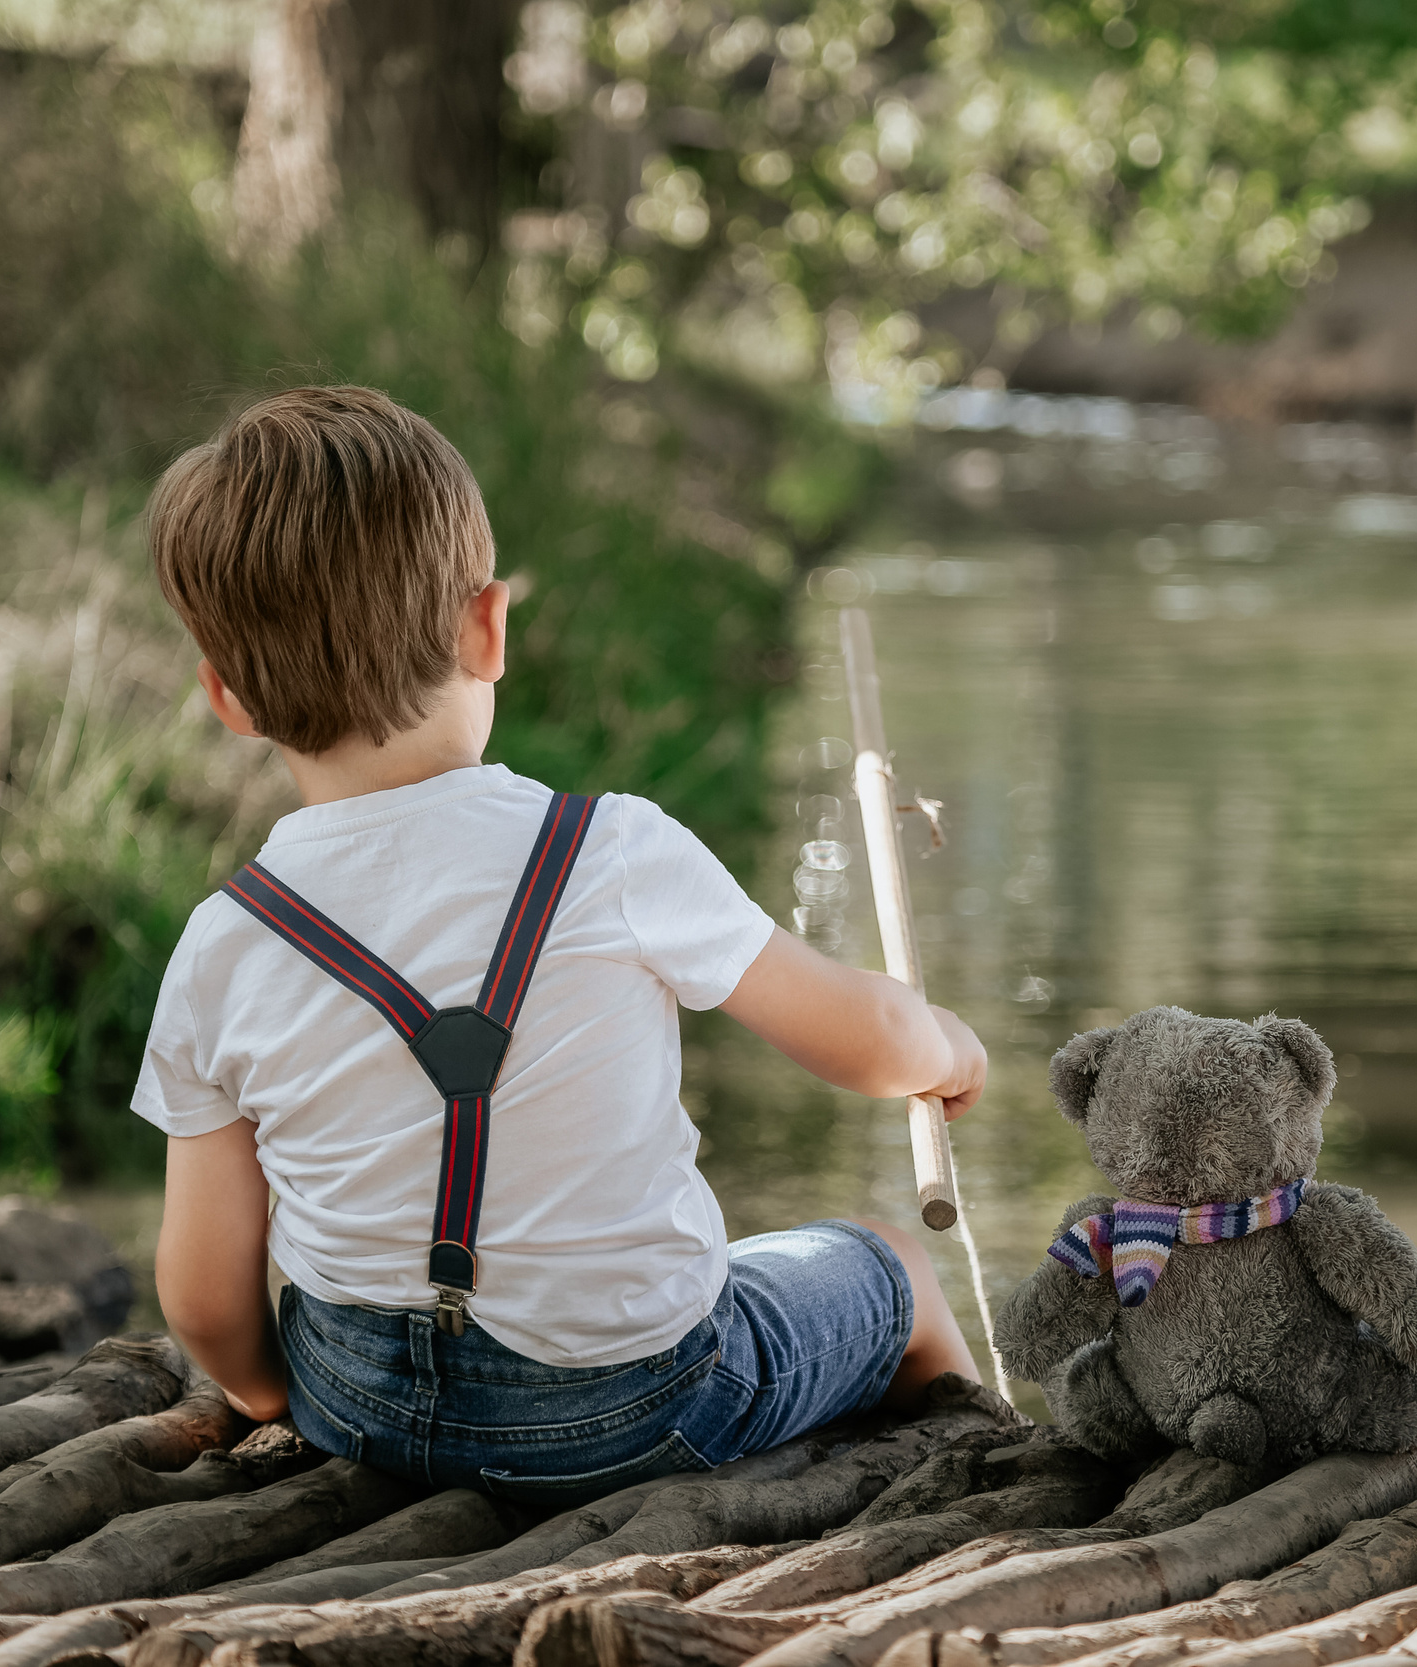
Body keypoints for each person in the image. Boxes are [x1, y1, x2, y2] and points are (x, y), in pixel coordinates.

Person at [133, 385, 987, 1503]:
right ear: (485, 627)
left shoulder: (223, 941)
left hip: (363, 1404)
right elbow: (869, 1039)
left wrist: (272, 1397)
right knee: (892, 1267)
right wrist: (948, 1051)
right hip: (637, 1402)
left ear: (227, 697)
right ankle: (986, 1487)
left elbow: (202, 1294)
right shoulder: (610, 850)